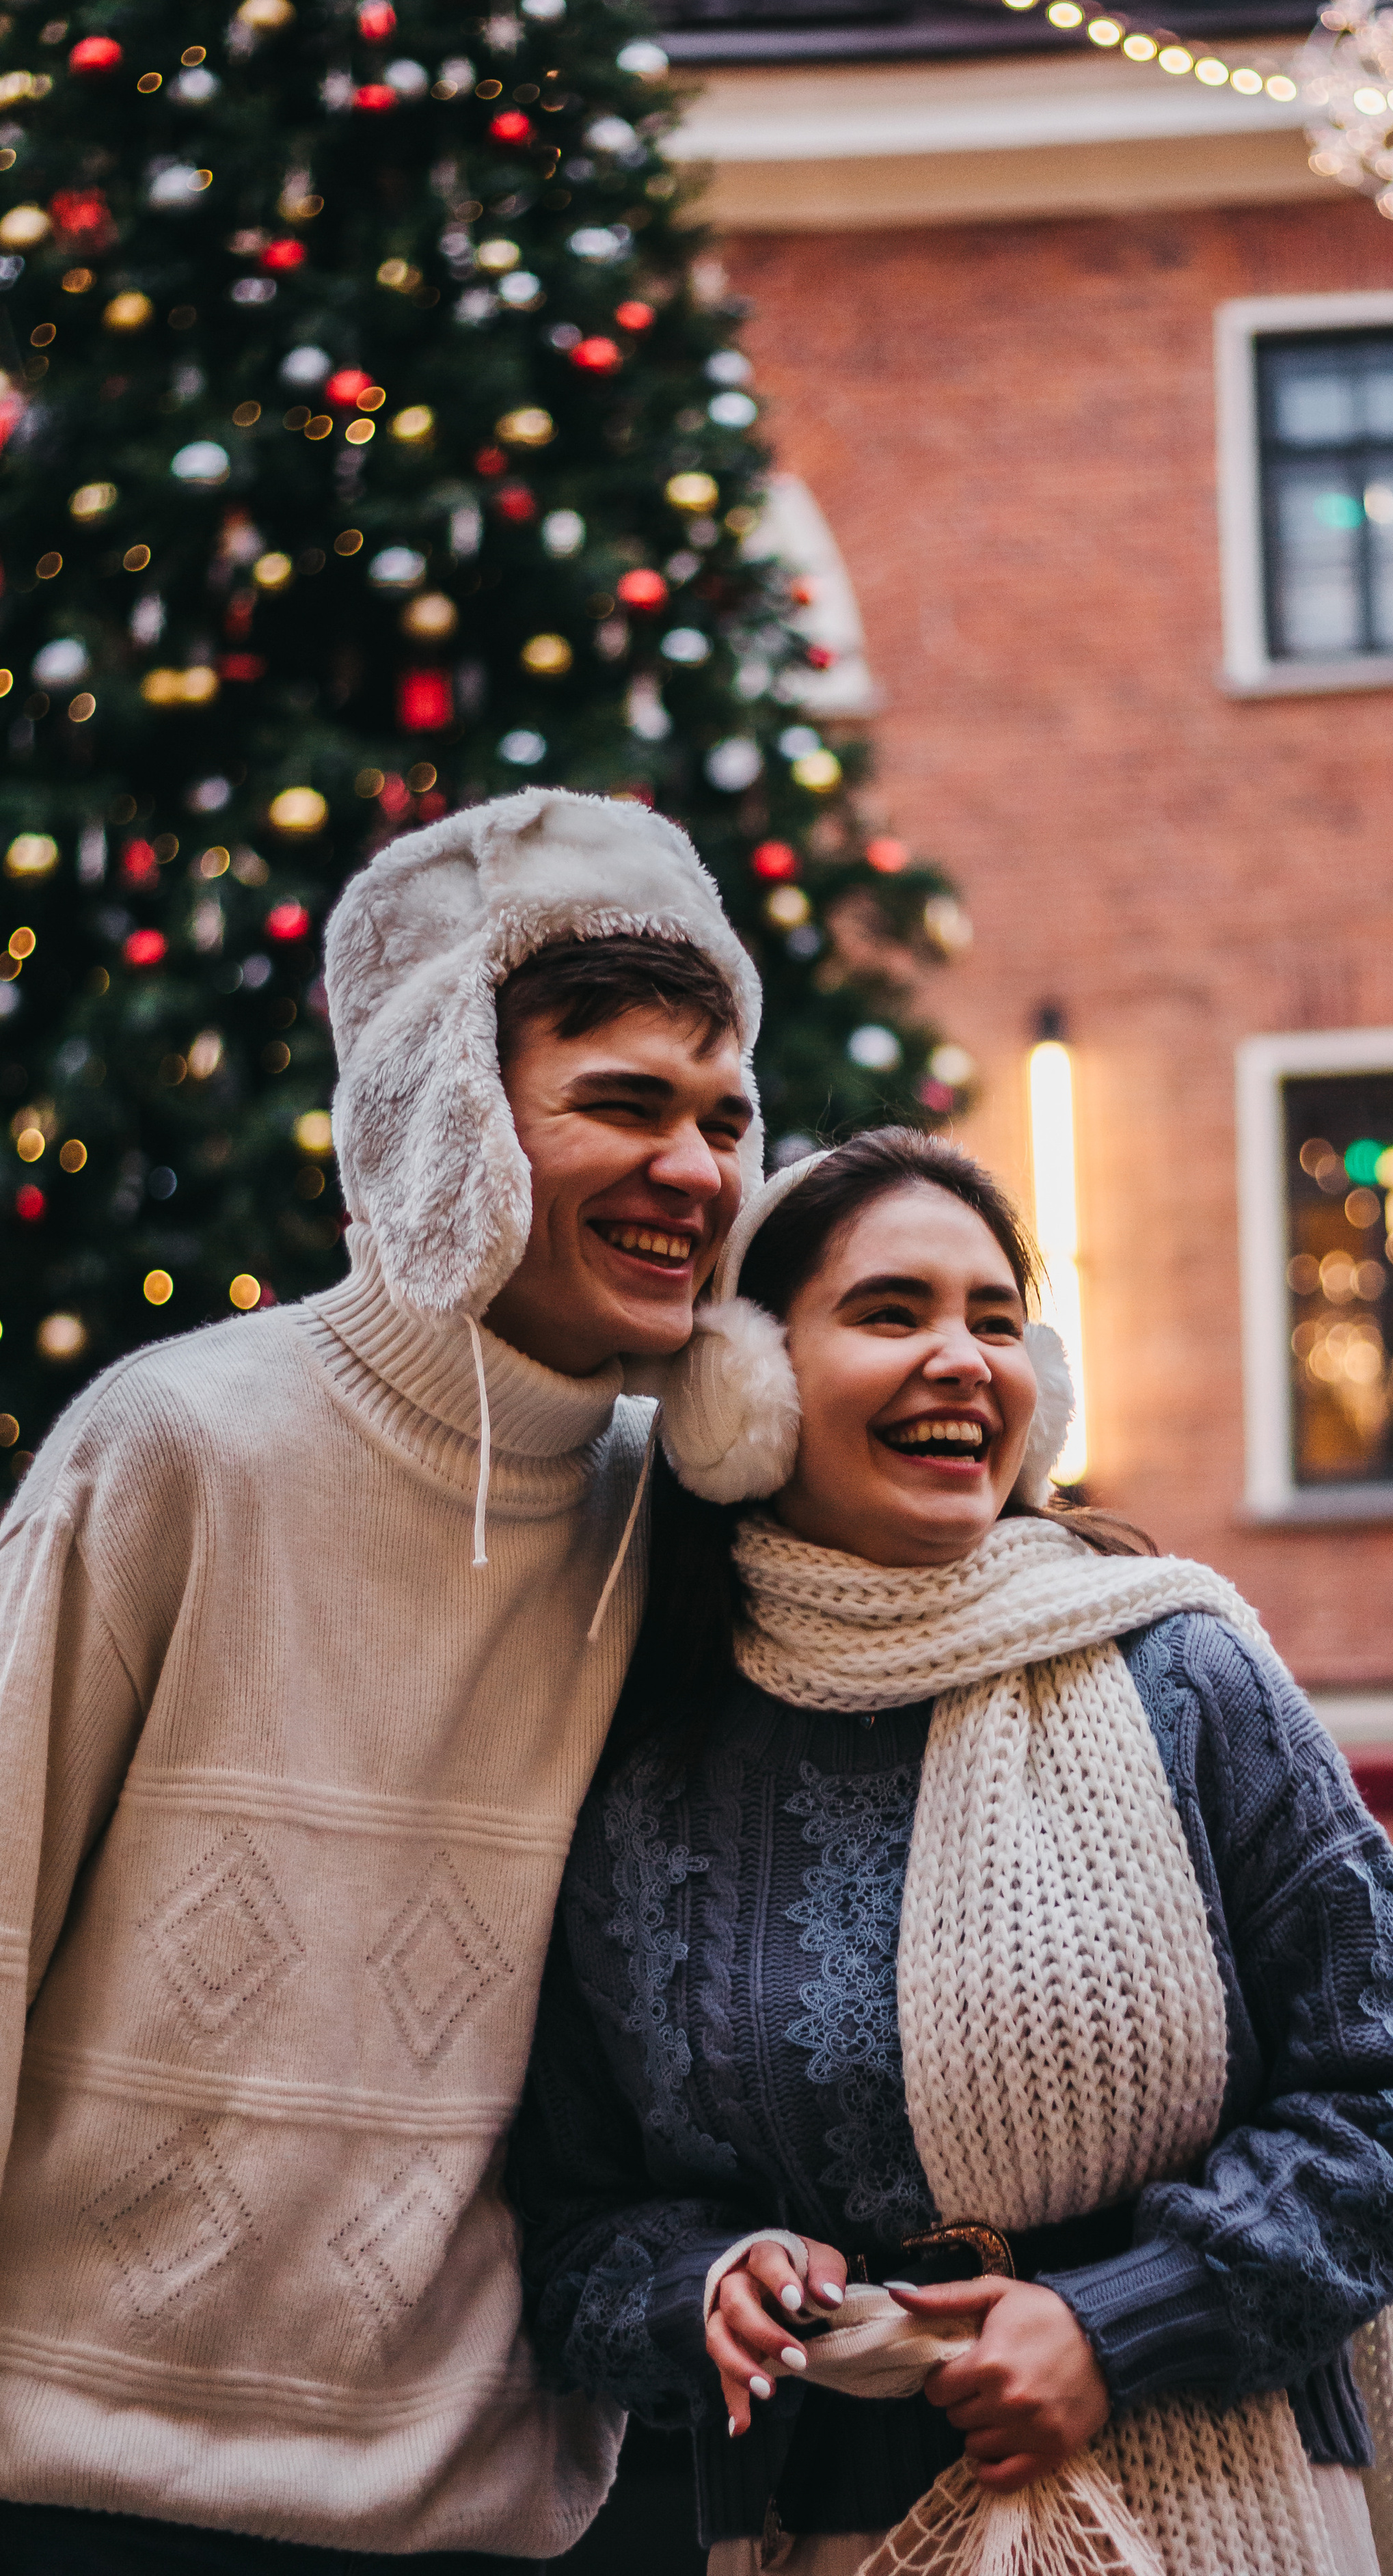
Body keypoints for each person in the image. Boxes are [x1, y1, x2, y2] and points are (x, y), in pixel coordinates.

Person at [509, 1128, 1393, 2576]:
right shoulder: (644, 1776)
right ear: (739, 1390)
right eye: (892, 1313)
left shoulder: (1182, 1676)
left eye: (997, 1322)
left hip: (1215, 2519)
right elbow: (572, 2220)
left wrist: (1121, 2321)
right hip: (820, 2531)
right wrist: (703, 2283)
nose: (963, 1360)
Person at [0, 791, 763, 2571]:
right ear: (454, 1121)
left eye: (725, 1118)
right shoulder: (178, 1445)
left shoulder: (682, 1526)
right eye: (627, 1107)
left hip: (491, 2521)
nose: (700, 1171)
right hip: (78, 2500)